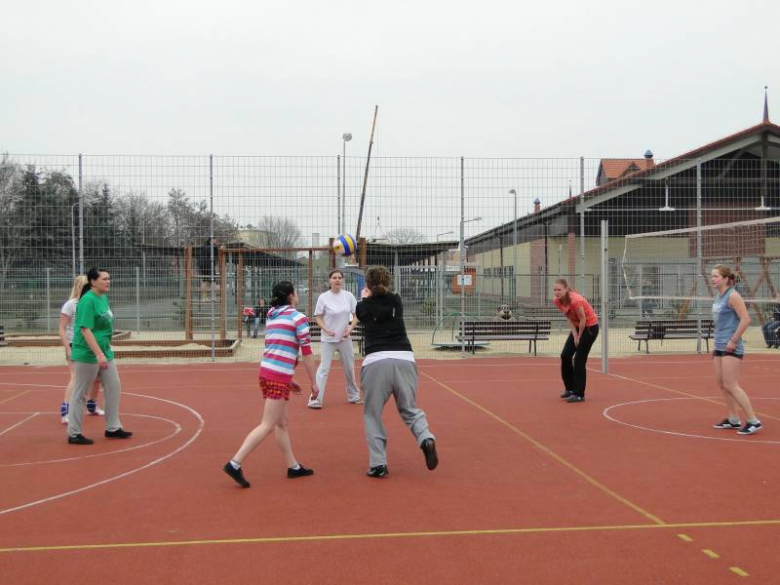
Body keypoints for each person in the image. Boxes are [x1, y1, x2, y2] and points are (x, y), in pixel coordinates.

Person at [223, 281, 319, 488]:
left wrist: (289, 379)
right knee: (267, 424)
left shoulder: (272, 315)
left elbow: (276, 345)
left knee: (281, 424)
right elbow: (307, 353)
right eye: (296, 291)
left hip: (267, 372)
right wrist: (315, 382)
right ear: (292, 296)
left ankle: (293, 467)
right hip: (277, 376)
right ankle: (235, 462)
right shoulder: (298, 318)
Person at [355, 265, 438, 478]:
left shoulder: (362, 306)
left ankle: (378, 464)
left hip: (376, 361)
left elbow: (365, 316)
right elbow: (385, 306)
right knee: (409, 408)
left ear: (368, 285)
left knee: (372, 414)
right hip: (404, 358)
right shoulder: (397, 300)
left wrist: (365, 297)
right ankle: (426, 438)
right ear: (388, 282)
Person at [67, 268, 133, 445]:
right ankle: (74, 432)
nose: (108, 281)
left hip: (105, 351)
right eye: (104, 279)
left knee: (114, 386)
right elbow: (85, 329)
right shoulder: (87, 301)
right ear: (93, 281)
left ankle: (112, 428)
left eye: (109, 278)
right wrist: (98, 354)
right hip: (87, 354)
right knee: (80, 393)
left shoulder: (103, 297)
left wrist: (104, 352)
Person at [709, 265, 762, 435]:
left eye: (716, 276)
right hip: (720, 345)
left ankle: (754, 421)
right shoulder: (718, 296)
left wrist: (733, 340)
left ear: (725, 279)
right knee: (722, 384)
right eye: (712, 276)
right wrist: (717, 345)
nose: (712, 279)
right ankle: (733, 419)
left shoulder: (733, 295)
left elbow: (746, 319)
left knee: (731, 385)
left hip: (732, 345)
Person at [308, 269, 362, 408]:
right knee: (323, 369)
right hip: (328, 340)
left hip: (345, 339)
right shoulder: (323, 297)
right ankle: (316, 399)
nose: (337, 280)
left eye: (339, 278)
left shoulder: (348, 296)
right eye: (334, 278)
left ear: (342, 280)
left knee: (349, 368)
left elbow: (357, 315)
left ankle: (353, 395)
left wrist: (349, 329)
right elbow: (318, 317)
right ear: (329, 280)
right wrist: (326, 329)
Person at [58, 275, 103, 424]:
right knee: (76, 378)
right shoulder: (70, 305)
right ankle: (66, 411)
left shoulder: (93, 302)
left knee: (97, 379)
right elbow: (62, 328)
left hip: (91, 345)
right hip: (74, 345)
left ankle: (91, 404)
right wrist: (68, 348)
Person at [552, 278, 599, 403]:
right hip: (577, 327)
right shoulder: (557, 301)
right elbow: (569, 317)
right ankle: (570, 388)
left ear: (566, 289)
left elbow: (583, 319)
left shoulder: (575, 300)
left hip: (589, 328)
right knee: (565, 355)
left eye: (559, 289)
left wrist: (579, 336)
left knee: (578, 360)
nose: (556, 292)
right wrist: (574, 334)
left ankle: (579, 394)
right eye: (555, 290)